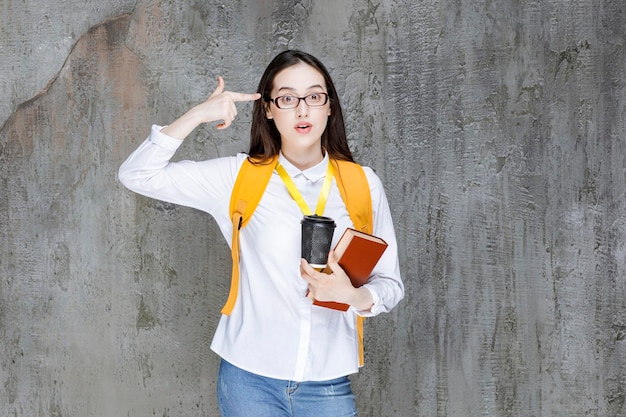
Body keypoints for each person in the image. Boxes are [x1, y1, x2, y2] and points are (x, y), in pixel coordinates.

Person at [118, 50, 404, 417]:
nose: (302, 110)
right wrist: (199, 114)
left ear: (329, 107)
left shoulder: (364, 184)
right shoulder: (239, 177)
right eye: (287, 98)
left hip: (327, 383)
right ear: (268, 109)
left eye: (314, 97)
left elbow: (390, 286)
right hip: (248, 381)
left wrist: (353, 295)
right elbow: (136, 174)